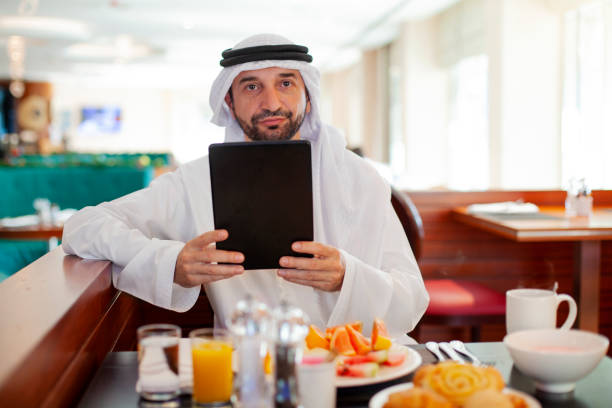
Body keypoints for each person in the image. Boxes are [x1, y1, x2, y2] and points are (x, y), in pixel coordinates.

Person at [62, 34, 428, 341]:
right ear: (228, 101)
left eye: (286, 83)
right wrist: (172, 262)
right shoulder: (195, 182)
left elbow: (411, 300)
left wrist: (348, 277)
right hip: (245, 371)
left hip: (353, 366)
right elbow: (83, 227)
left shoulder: (362, 179)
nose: (271, 102)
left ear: (308, 96)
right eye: (252, 86)